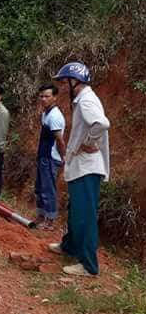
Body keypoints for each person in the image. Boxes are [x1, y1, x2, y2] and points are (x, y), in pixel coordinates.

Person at [49, 62, 110, 276]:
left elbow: (101, 124)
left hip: (87, 168)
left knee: (84, 216)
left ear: (75, 81)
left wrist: (90, 141)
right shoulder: (82, 99)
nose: (63, 86)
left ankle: (88, 265)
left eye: (64, 82)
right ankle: (70, 247)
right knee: (75, 211)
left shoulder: (86, 101)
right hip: (81, 167)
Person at [34, 84, 66, 230]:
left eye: (47, 96)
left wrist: (63, 156)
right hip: (42, 155)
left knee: (48, 189)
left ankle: (50, 221)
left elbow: (59, 140)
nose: (43, 99)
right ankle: (41, 215)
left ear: (55, 97)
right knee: (40, 187)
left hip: (50, 157)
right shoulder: (45, 113)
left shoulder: (55, 116)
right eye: (41, 96)